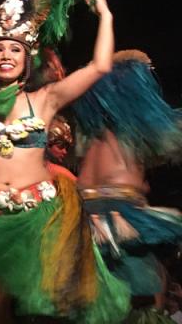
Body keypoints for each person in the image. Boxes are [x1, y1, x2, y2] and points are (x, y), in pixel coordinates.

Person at [0, 0, 130, 323]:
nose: (6, 55)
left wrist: (105, 14)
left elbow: (99, 66)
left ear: (27, 57)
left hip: (39, 219)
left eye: (15, 49)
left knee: (41, 309)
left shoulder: (45, 100)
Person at [73, 50, 182, 320]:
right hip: (119, 210)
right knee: (146, 294)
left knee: (98, 293)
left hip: (85, 210)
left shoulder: (90, 132)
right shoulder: (135, 126)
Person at [45, 115, 77, 181]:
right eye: (61, 146)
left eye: (67, 147)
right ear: (47, 145)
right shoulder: (59, 172)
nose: (65, 151)